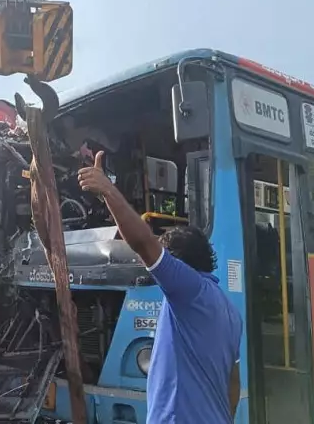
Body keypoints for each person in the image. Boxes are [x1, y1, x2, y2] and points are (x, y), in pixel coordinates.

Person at [78, 151, 242, 424]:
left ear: (178, 264)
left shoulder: (188, 290)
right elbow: (233, 381)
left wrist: (107, 189)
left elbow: (143, 243)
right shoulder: (228, 310)